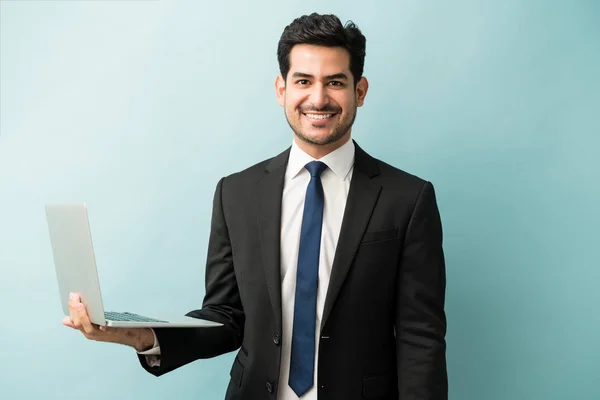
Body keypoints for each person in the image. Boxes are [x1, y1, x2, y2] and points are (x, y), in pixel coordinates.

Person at [64, 13, 448, 400]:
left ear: (359, 91)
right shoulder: (237, 193)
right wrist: (139, 335)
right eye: (303, 81)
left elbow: (420, 337)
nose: (318, 98)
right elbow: (226, 318)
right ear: (281, 89)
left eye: (335, 82)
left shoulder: (408, 199)